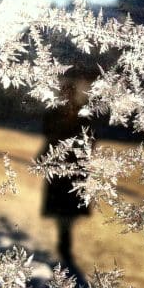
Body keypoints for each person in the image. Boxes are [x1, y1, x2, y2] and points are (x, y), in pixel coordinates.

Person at [39, 75, 92, 272]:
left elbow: (89, 140)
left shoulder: (76, 114)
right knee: (65, 209)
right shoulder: (72, 113)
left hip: (70, 167)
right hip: (66, 168)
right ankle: (64, 240)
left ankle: (64, 239)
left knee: (66, 209)